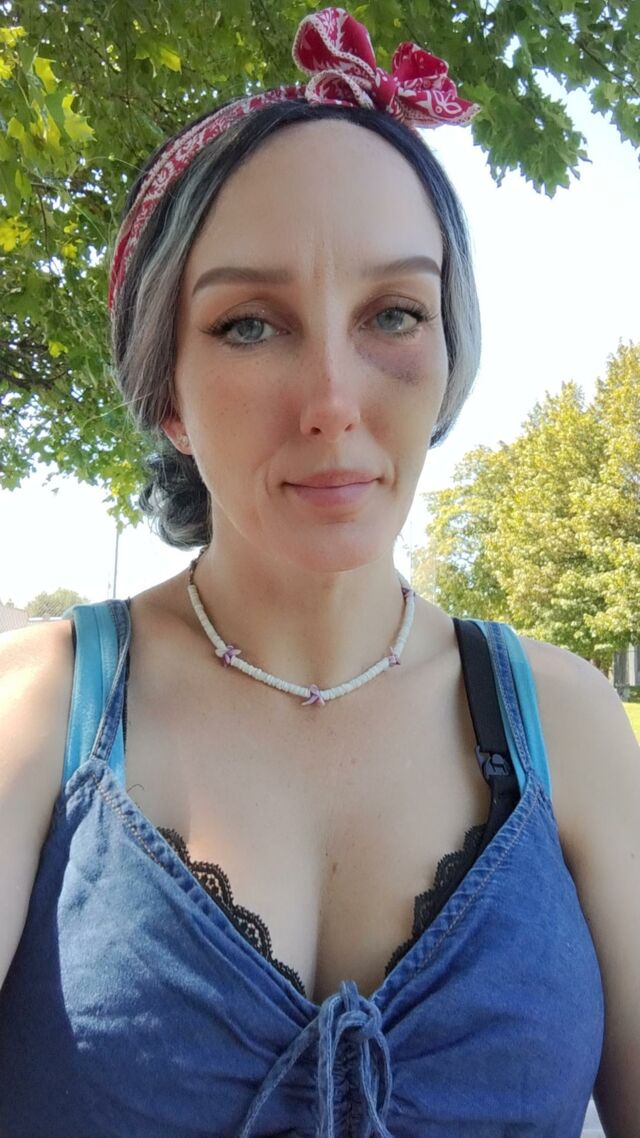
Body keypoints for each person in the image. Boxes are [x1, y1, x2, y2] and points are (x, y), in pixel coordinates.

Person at [0, 7, 637, 1137]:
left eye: (393, 313)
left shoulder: (570, 725)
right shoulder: (37, 714)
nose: (333, 402)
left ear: (448, 355)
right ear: (166, 390)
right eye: (251, 325)